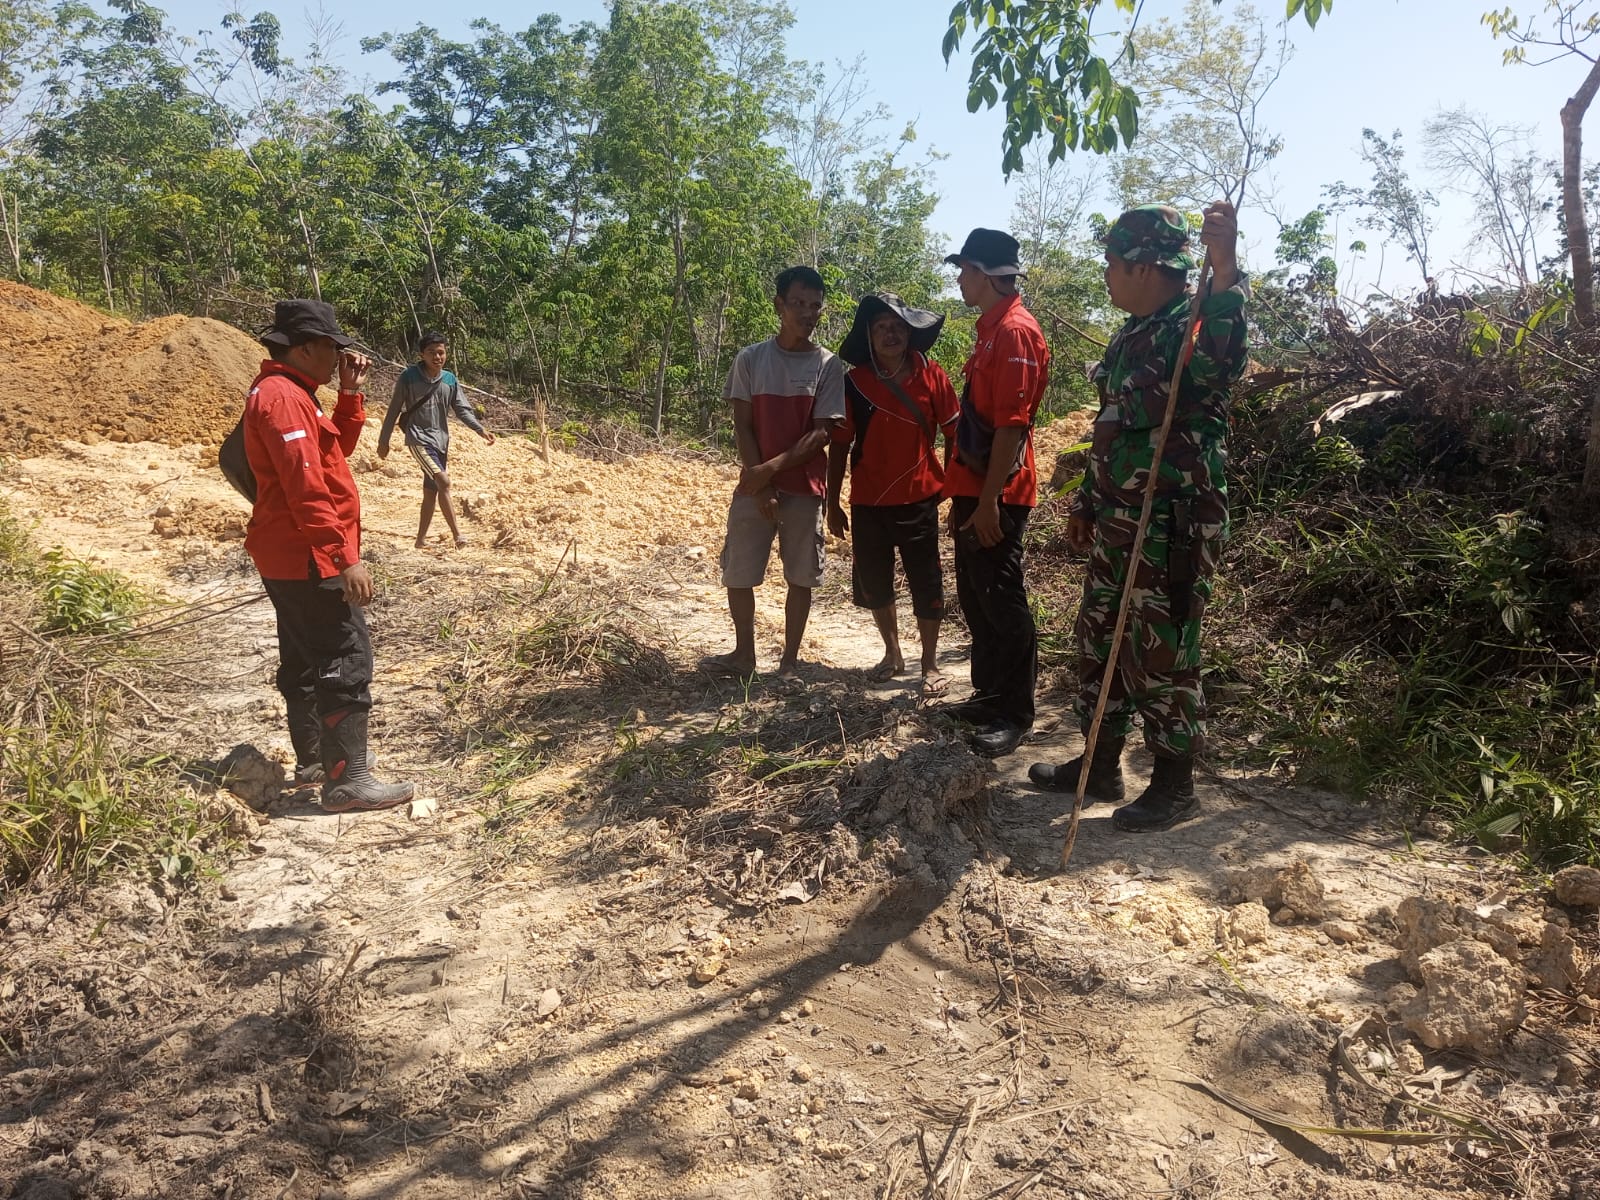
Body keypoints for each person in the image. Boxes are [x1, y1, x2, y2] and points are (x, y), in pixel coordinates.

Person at [1027, 202, 1247, 833]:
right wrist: (1088, 501)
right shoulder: (1132, 333)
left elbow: (1224, 362)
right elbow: (1112, 428)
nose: (1106, 276)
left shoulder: (1195, 322)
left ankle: (1175, 785)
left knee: (1161, 648)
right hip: (1121, 518)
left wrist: (1225, 267)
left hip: (1172, 519)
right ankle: (1099, 762)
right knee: (1102, 636)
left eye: (1112, 265)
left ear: (1145, 269)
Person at [243, 299, 415, 813]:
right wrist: (344, 557)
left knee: (304, 656)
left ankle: (316, 762)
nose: (339, 355)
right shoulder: (284, 399)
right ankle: (346, 782)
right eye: (331, 347)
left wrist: (350, 395)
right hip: (308, 556)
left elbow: (333, 454)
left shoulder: (291, 393)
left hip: (290, 553)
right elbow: (306, 487)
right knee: (345, 657)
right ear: (303, 348)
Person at [939, 229, 1052, 757]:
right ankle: (988, 696)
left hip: (998, 493)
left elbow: (1011, 426)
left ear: (984, 274)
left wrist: (988, 501)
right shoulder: (989, 329)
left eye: (964, 270)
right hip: (974, 487)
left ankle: (1015, 711)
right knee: (976, 595)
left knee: (1002, 598)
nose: (959, 279)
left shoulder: (1014, 333)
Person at [704, 265, 845, 679]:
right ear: (779, 305)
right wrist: (759, 480)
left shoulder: (827, 365)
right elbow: (743, 425)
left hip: (803, 487)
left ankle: (789, 661)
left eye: (815, 305)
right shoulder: (751, 359)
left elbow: (822, 433)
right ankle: (743, 655)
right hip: (755, 484)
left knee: (801, 576)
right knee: (739, 572)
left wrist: (770, 469)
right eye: (798, 303)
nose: (807, 312)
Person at [825, 292, 958, 696]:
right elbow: (839, 447)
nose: (890, 333)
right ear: (869, 336)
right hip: (868, 501)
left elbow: (955, 434)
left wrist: (954, 490)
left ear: (909, 332)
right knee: (876, 583)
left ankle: (931, 663)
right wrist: (832, 503)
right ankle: (892, 653)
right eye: (881, 327)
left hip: (920, 498)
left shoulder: (932, 374)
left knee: (927, 582)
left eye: (897, 326)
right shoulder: (855, 383)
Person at [377, 330, 495, 549]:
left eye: (441, 353)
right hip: (418, 440)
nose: (437, 357)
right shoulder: (409, 377)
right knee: (444, 481)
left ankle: (420, 540)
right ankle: (458, 535)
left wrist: (480, 429)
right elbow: (393, 410)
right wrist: (383, 441)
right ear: (422, 354)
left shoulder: (450, 380)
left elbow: (461, 409)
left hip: (441, 441)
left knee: (431, 491)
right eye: (432, 353)